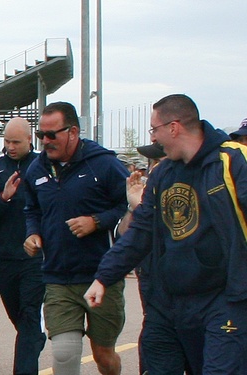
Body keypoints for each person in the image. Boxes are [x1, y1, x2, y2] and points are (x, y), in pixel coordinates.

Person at [84, 94, 247, 374]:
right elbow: (141, 232)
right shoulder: (163, 176)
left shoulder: (232, 161)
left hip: (225, 300)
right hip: (169, 303)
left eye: (154, 129)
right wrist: (104, 276)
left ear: (173, 127)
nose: (154, 138)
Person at [23, 102, 128, 375]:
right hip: (58, 277)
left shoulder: (104, 164)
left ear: (72, 132)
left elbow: (128, 207)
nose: (45, 141)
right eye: (40, 135)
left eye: (51, 135)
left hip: (101, 277)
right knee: (64, 353)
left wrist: (97, 221)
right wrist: (32, 233)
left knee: (104, 356)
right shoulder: (37, 169)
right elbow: (32, 208)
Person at [0, 117, 45, 375]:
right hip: (4, 257)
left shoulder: (43, 164)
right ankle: (35, 339)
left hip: (35, 258)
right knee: (19, 319)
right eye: (7, 141)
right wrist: (3, 198)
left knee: (28, 315)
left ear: (30, 139)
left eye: (16, 141)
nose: (11, 146)